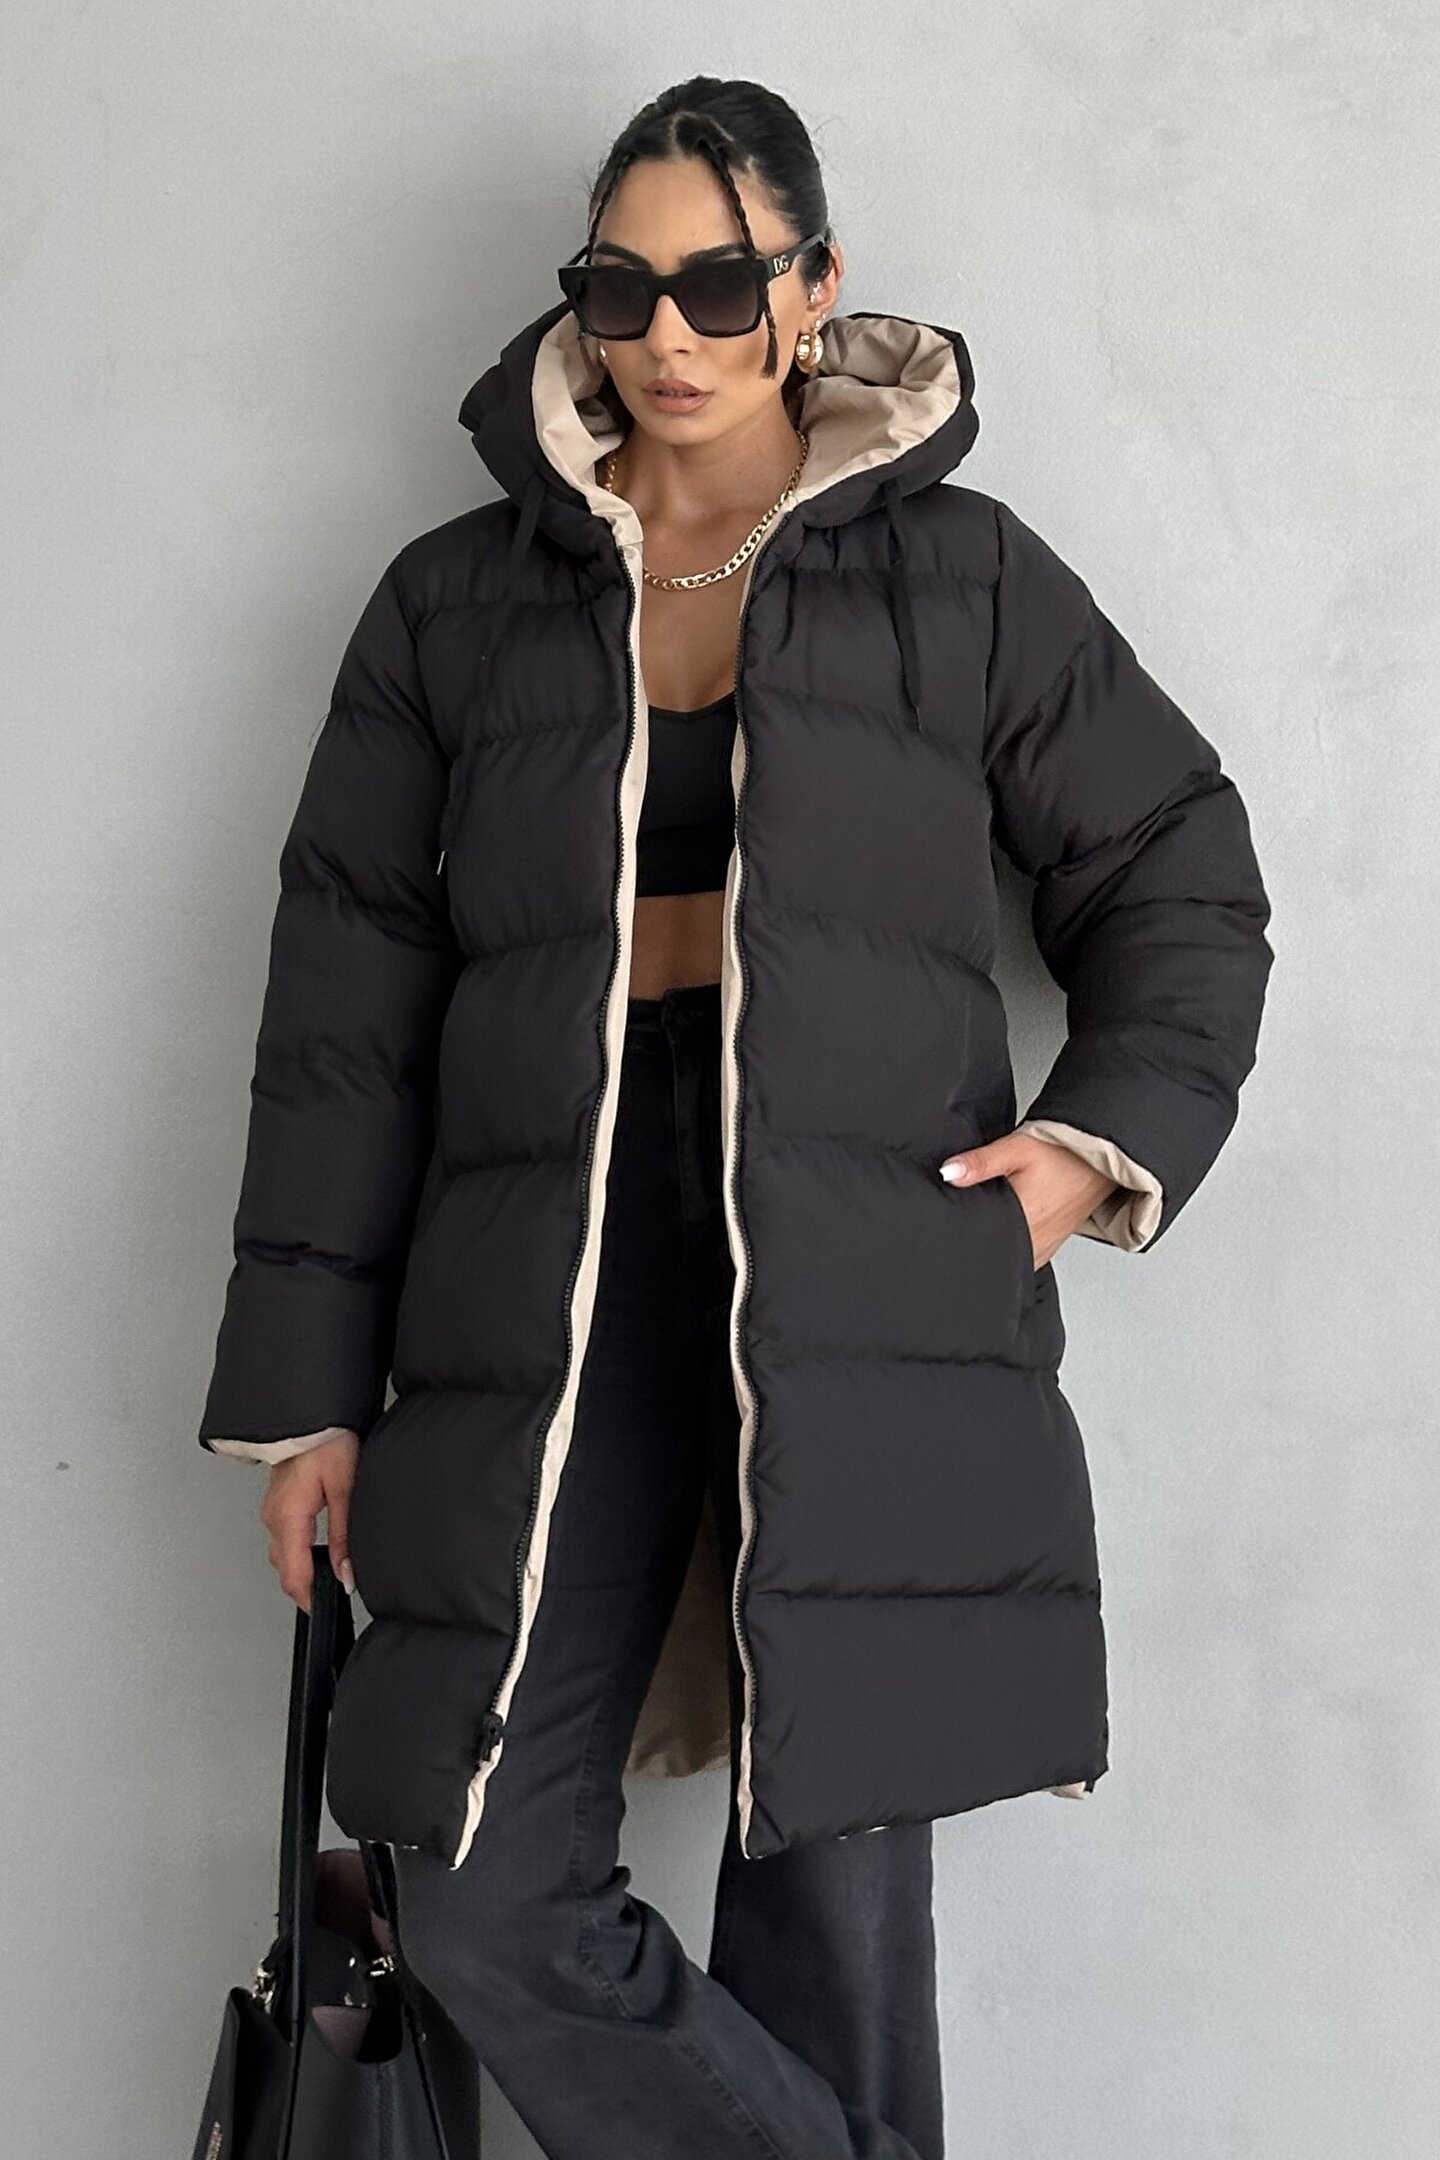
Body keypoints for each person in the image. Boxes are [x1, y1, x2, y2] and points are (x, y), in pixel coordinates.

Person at [198, 75, 1273, 2160]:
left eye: (716, 284)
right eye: (621, 289)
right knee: (482, 1891)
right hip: (548, 1251)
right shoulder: (453, 605)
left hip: (870, 1256)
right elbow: (344, 1013)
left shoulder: (961, 579)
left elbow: (1180, 871)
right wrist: (309, 1396)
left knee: (832, 1898)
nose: (667, 336)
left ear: (812, 287)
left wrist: (1085, 1156)